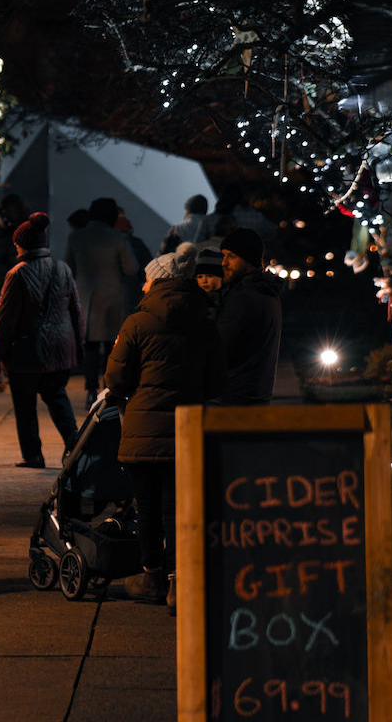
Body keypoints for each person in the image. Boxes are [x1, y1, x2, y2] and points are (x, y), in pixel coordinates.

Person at [105, 247, 226, 607]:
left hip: (143, 430)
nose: (143, 286)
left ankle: (153, 577)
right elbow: (218, 381)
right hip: (187, 430)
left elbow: (116, 377)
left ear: (157, 280)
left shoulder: (137, 322)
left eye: (147, 279)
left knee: (147, 507)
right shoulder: (205, 323)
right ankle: (179, 584)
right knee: (179, 507)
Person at [0, 212, 82, 468]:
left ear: (22, 244)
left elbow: (5, 319)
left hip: (26, 352)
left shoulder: (17, 274)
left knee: (25, 404)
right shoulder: (62, 268)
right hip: (61, 348)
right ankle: (76, 447)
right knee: (57, 397)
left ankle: (33, 455)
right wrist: (78, 346)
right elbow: (76, 310)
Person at [64, 197, 139, 405]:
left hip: (85, 298)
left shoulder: (76, 237)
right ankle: (108, 389)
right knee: (110, 347)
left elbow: (68, 267)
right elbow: (131, 268)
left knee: (89, 347)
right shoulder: (118, 238)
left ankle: (90, 389)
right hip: (113, 298)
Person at [208, 229, 282, 405]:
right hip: (250, 396)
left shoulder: (245, 297)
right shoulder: (265, 291)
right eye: (223, 256)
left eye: (231, 256)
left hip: (230, 400)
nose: (224, 263)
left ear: (249, 260)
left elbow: (217, 350)